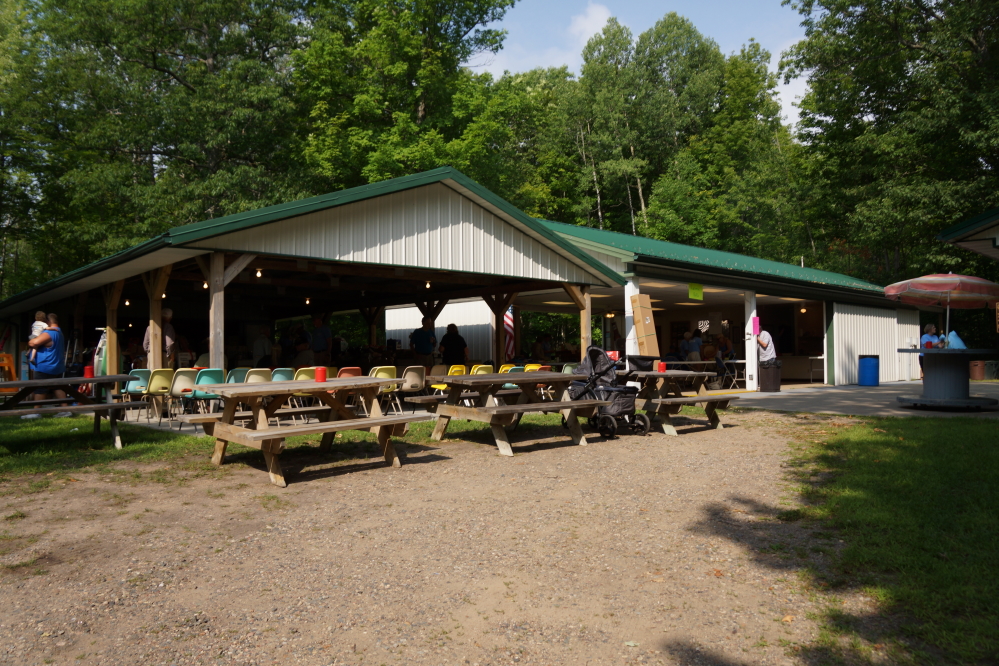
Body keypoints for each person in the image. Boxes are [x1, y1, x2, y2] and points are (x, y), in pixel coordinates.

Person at [26, 313, 71, 418]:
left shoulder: (49, 333)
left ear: (47, 322)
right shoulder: (59, 332)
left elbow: (33, 343)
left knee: (40, 389)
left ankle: (36, 412)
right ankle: (65, 410)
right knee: (58, 387)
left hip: (45, 366)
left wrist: (31, 341)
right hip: (57, 366)